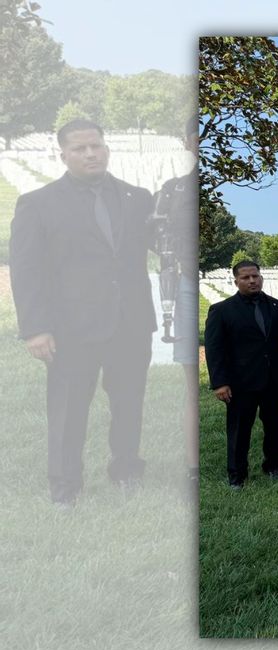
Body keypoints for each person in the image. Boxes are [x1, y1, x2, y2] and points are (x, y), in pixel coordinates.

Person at [11, 119, 155, 506]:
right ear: (64, 155)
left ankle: (126, 471)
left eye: (96, 145)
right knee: (68, 409)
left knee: (128, 404)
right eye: (80, 148)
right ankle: (65, 487)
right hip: (70, 328)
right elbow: (26, 270)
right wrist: (36, 328)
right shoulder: (38, 203)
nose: (91, 153)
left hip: (130, 323)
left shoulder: (137, 197)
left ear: (106, 148)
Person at [203, 261, 278, 488]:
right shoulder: (222, 310)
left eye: (255, 276)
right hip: (241, 381)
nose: (252, 281)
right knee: (239, 429)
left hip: (275, 379)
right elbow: (214, 349)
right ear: (236, 281)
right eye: (246, 277)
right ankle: (237, 474)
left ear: (261, 277)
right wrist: (220, 383)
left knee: (274, 425)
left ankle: (272, 465)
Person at [152, 123, 201, 487]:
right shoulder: (172, 190)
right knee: (189, 382)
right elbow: (159, 239)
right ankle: (191, 463)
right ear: (186, 141)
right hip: (183, 282)